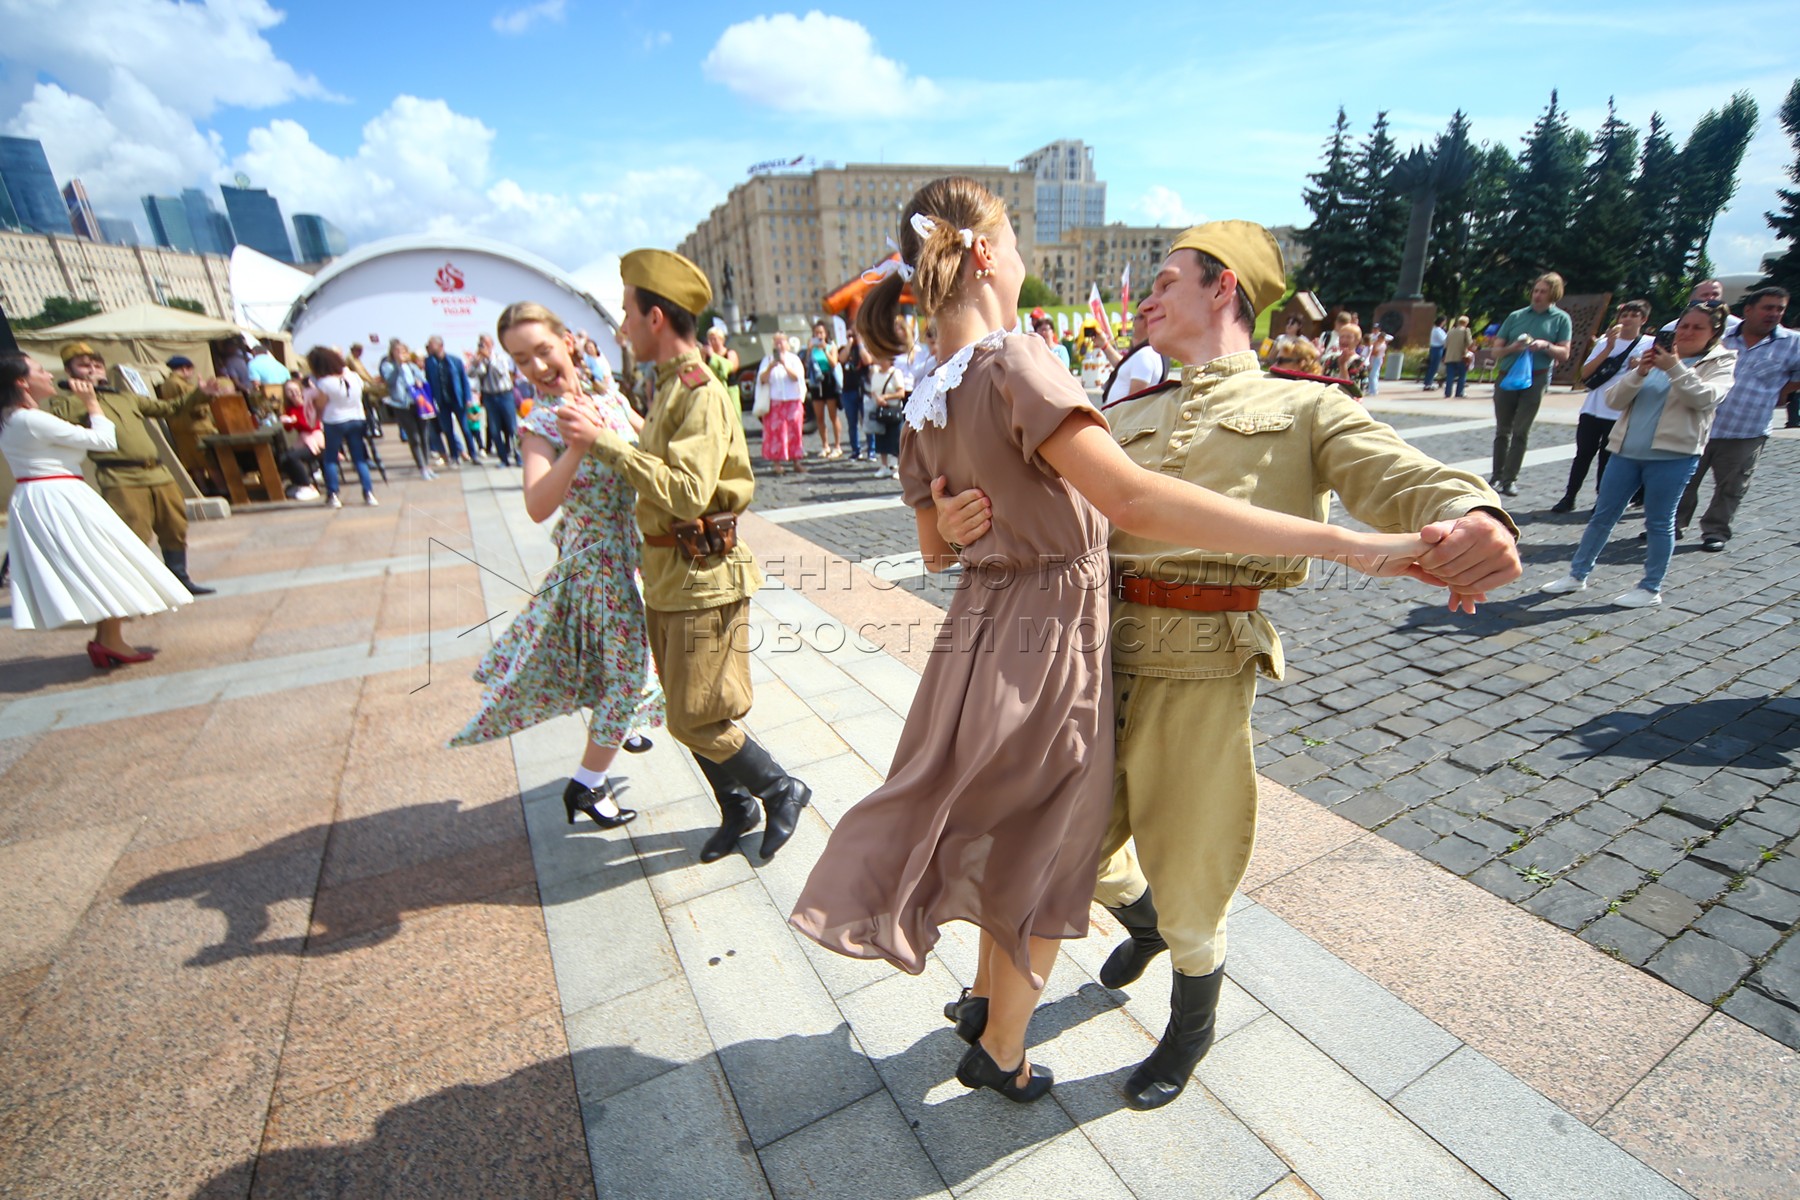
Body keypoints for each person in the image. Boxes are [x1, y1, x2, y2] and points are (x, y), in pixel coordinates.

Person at [791, 186, 1457, 1109]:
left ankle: (1081, 1008)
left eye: (1169, 279)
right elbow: (1129, 500)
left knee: (1102, 840)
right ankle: (1007, 1036)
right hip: (1059, 644)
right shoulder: (1029, 364)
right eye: (1016, 243)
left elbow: (939, 551)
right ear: (985, 254)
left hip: (1057, 643)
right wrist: (1346, 545)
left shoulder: (931, 393)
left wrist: (955, 517)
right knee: (1053, 848)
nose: (1026, 261)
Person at [934, 218, 1520, 1110]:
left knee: (1192, 857)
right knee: (1056, 848)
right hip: (1088, 659)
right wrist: (952, 522)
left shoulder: (1307, 406)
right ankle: (1134, 927)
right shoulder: (1120, 412)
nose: (1148, 297)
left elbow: (1399, 475)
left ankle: (1191, 1022)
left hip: (1202, 667)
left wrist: (1478, 515)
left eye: (1168, 280)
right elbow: (1032, 505)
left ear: (1224, 289)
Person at [574, 248, 811, 863]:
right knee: (686, 710)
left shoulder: (698, 392)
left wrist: (606, 446)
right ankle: (737, 807)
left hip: (701, 574)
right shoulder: (666, 389)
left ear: (655, 318)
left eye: (627, 312)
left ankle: (779, 789)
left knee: (694, 717)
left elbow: (685, 492)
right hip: (668, 575)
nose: (622, 327)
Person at [453, 301, 662, 825]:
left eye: (543, 350)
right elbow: (537, 504)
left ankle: (622, 724)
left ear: (568, 341)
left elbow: (653, 447)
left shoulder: (608, 396)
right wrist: (575, 447)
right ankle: (587, 785)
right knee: (629, 673)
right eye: (522, 360)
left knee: (634, 661)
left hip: (636, 552)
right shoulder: (541, 424)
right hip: (597, 565)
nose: (538, 367)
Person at [1539, 302, 1735, 607]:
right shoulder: (1654, 358)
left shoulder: (1719, 362)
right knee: (1602, 517)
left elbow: (1704, 399)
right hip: (1626, 451)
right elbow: (1613, 400)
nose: (1687, 332)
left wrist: (1674, 368)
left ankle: (1650, 587)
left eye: (1698, 327)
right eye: (1683, 326)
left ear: (1714, 332)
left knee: (1659, 523)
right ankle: (1577, 574)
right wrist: (1639, 373)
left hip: (1674, 456)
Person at [2, 354, 191, 664]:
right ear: (22, 382)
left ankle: (108, 640)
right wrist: (91, 402)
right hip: (59, 496)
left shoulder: (13, 418)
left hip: (47, 494)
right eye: (40, 370)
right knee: (106, 562)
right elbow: (104, 440)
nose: (48, 375)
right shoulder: (30, 419)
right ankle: (109, 640)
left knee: (101, 563)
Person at [46, 341, 222, 595]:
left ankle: (179, 580)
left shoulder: (124, 397)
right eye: (84, 366)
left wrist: (199, 393)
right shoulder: (67, 402)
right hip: (121, 476)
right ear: (69, 371)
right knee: (134, 531)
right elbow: (61, 421)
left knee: (175, 525)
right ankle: (138, 589)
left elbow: (168, 408)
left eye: (97, 364)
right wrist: (86, 396)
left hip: (157, 472)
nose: (93, 369)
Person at [1673, 286, 1800, 551]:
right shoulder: (1720, 336)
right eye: (1768, 308)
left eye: (1780, 309)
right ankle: (1672, 525)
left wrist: (1779, 393)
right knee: (1682, 481)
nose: (1774, 314)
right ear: (1749, 310)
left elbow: (1796, 377)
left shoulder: (1792, 342)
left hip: (1747, 429)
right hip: (1701, 424)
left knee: (1732, 486)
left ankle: (1715, 531)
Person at [1554, 300, 1651, 513]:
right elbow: (1585, 373)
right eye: (1624, 315)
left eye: (1633, 315)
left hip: (1620, 411)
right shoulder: (1605, 342)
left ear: (1643, 320)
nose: (1627, 319)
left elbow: (1655, 375)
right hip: (1593, 408)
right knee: (1583, 454)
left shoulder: (1649, 344)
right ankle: (1569, 496)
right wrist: (1607, 348)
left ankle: (1602, 500)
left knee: (1607, 459)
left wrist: (1641, 367)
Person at [1490, 272, 1573, 497]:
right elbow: (1496, 351)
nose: (1537, 295)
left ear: (1553, 294)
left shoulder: (1560, 319)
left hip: (1535, 378)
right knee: (1502, 430)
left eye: (1543, 292)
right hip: (1507, 376)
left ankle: (1510, 479)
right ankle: (1496, 475)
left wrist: (1546, 345)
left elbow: (1564, 353)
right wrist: (1513, 348)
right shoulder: (1516, 316)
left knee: (1521, 431)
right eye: (1535, 291)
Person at [304, 346, 376, 507]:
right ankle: (368, 493)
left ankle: (333, 494)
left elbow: (321, 404)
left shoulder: (324, 383)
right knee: (359, 458)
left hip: (334, 420)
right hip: (356, 418)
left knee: (330, 458)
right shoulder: (354, 377)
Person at [380, 339, 436, 479]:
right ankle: (421, 467)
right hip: (402, 404)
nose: (401, 354)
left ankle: (427, 465)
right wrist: (398, 366)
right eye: (397, 351)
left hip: (418, 403)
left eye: (403, 351)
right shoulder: (388, 366)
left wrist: (419, 381)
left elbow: (422, 379)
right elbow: (390, 381)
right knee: (414, 437)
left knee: (424, 435)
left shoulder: (411, 366)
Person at [423, 336, 480, 466]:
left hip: (457, 400)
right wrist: (430, 400)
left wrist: (468, 398)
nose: (429, 347)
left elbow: (464, 381)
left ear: (440, 346)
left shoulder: (455, 361)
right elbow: (429, 381)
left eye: (431, 345)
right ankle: (454, 456)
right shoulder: (429, 362)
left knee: (465, 429)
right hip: (442, 401)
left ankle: (473, 455)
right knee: (448, 430)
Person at [758, 332, 807, 475]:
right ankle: (777, 463)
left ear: (787, 344)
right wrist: (770, 367)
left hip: (793, 399)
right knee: (776, 433)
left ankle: (796, 461)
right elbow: (762, 379)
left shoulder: (794, 359)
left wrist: (785, 365)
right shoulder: (767, 360)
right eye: (776, 342)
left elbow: (796, 377)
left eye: (782, 342)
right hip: (775, 401)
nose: (779, 345)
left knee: (794, 431)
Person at [471, 334, 519, 468]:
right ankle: (503, 459)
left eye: (486, 344)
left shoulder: (500, 357)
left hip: (504, 395)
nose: (483, 347)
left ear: (492, 345)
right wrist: (476, 363)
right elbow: (471, 374)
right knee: (494, 429)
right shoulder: (479, 360)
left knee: (512, 428)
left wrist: (489, 358)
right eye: (481, 344)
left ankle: (518, 456)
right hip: (489, 397)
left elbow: (501, 373)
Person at [1096, 317, 1167, 404]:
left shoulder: (1145, 355)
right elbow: (1123, 366)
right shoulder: (1146, 352)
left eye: (1136, 318)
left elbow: (1135, 402)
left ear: (1146, 322)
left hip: (1124, 412)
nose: (1133, 323)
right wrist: (1104, 344)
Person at [807, 321, 844, 459]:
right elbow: (807, 364)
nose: (819, 335)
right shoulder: (812, 347)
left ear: (826, 334)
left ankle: (837, 445)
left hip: (829, 380)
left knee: (833, 415)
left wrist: (824, 350)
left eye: (821, 332)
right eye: (816, 333)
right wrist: (810, 350)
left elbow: (834, 363)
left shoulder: (831, 346)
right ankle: (825, 445)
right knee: (819, 416)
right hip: (816, 382)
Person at [838, 330, 871, 460]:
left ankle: (871, 450)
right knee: (852, 423)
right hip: (848, 390)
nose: (853, 338)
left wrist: (860, 344)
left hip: (864, 390)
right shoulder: (844, 349)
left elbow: (867, 361)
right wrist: (849, 344)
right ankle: (855, 450)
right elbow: (841, 359)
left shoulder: (865, 348)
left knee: (867, 422)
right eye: (850, 335)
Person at [1442, 315, 1474, 398]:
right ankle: (1459, 392)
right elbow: (1469, 343)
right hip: (1461, 356)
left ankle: (1448, 393)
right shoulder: (1466, 331)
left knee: (1450, 375)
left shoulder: (1451, 331)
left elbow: (1445, 344)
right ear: (1466, 323)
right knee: (1462, 375)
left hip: (1449, 356)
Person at [1422, 315, 1448, 390]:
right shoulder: (1437, 330)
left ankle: (1428, 382)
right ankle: (1428, 384)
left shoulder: (1437, 329)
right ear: (1442, 322)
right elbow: (1444, 341)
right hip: (1437, 348)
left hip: (1436, 348)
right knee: (1434, 366)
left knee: (1433, 366)